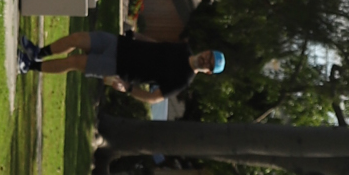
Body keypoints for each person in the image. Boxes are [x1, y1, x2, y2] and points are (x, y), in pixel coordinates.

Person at [19, 33, 225, 99]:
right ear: (207, 51)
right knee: (77, 38)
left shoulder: (183, 79)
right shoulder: (184, 48)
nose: (205, 59)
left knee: (74, 62)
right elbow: (158, 46)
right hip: (121, 44)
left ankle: (30, 66)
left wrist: (127, 88)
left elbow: (154, 98)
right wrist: (137, 36)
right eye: (209, 56)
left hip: (119, 66)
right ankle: (38, 52)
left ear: (208, 72)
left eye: (209, 64)